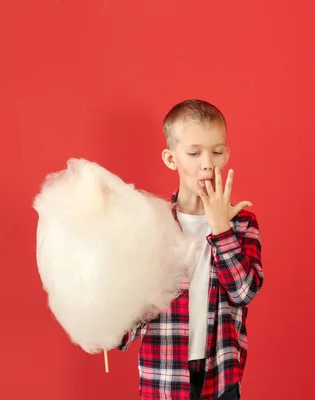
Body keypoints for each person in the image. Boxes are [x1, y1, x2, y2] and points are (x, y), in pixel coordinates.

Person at [118, 99, 264, 400]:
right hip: (163, 376)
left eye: (217, 151)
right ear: (171, 159)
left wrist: (222, 230)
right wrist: (109, 325)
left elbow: (243, 292)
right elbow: (137, 303)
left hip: (222, 376)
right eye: (194, 153)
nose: (207, 162)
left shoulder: (242, 223)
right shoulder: (153, 224)